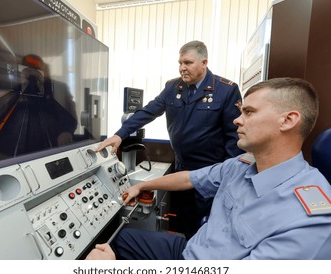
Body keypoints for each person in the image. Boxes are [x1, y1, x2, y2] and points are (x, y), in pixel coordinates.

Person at [86, 77, 331, 260]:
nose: (236, 120)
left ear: (288, 120)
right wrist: (142, 185)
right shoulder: (241, 165)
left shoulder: (316, 223)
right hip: (192, 251)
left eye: (249, 112)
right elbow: (189, 178)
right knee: (110, 240)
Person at [96, 40, 244, 238]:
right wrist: (119, 134)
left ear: (204, 63)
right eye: (180, 63)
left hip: (211, 171)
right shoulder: (173, 87)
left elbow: (234, 138)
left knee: (208, 227)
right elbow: (148, 111)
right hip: (181, 167)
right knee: (185, 222)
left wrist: (229, 177)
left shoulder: (226, 90)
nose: (182, 68)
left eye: (188, 63)